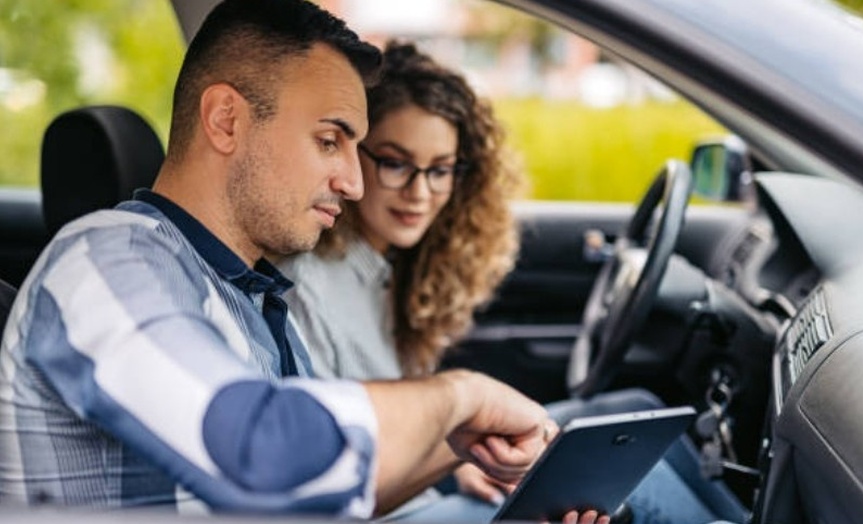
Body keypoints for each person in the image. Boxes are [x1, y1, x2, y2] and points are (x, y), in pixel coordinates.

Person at [0, 2, 606, 523]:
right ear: (226, 120)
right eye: (328, 140)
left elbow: (322, 495)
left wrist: (463, 447)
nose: (353, 183)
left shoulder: (253, 295)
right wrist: (459, 397)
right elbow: (259, 456)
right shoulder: (107, 261)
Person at [278, 41, 747, 524]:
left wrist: (454, 467)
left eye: (440, 170)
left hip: (422, 491)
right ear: (355, 156)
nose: (420, 193)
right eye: (396, 163)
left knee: (638, 410)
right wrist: (452, 461)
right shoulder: (312, 287)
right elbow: (334, 473)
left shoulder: (385, 269)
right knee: (638, 480)